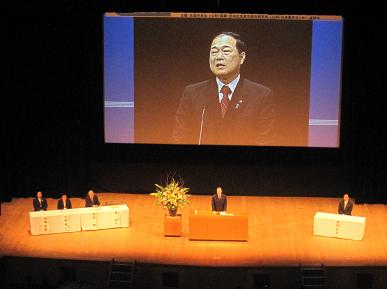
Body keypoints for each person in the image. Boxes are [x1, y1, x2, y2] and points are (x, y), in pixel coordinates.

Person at [173, 31, 275, 146]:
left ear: (241, 58)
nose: (218, 57)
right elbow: (180, 136)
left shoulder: (261, 95)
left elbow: (265, 140)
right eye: (214, 52)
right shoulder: (192, 93)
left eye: (226, 51)